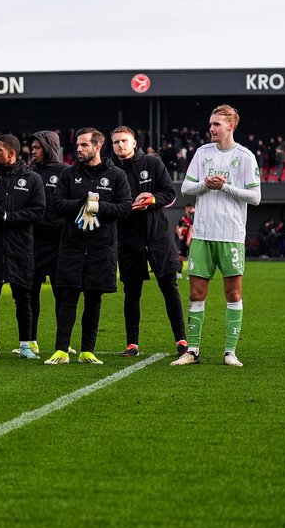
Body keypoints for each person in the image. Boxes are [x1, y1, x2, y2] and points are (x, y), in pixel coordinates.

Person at [173, 105, 261, 367]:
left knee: (233, 294)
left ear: (231, 126)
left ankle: (230, 352)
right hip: (202, 234)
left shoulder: (245, 157)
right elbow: (187, 187)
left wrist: (225, 187)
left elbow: (255, 197)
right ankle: (193, 350)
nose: (211, 129)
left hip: (231, 235)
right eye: (210, 124)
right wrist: (205, 184)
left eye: (217, 124)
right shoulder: (202, 153)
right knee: (196, 293)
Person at [45, 128, 132, 364]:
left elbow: (124, 208)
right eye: (78, 145)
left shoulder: (116, 175)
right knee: (68, 297)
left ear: (97, 146)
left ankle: (87, 350)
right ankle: (61, 349)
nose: (79, 149)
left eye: (84, 145)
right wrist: (83, 203)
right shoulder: (68, 174)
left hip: (102, 248)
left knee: (94, 299)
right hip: (71, 246)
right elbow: (57, 204)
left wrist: (99, 206)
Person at [110, 125, 187, 357]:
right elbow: (107, 204)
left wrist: (152, 198)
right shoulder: (110, 169)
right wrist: (125, 207)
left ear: (134, 143)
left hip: (158, 237)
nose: (120, 145)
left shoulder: (152, 163)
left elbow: (170, 194)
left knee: (169, 288)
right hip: (128, 240)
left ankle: (181, 340)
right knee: (131, 292)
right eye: (116, 142)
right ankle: (132, 344)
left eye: (124, 141)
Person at [0, 134, 45, 360]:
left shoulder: (32, 178)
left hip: (20, 247)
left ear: (11, 153)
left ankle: (25, 345)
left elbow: (38, 211)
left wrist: (9, 217)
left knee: (23, 297)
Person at [29, 130, 70, 355]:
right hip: (33, 242)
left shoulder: (65, 172)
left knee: (61, 294)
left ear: (48, 147)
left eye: (37, 147)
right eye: (32, 147)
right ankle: (30, 340)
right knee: (30, 293)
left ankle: (63, 342)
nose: (33, 151)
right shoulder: (29, 171)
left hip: (59, 242)